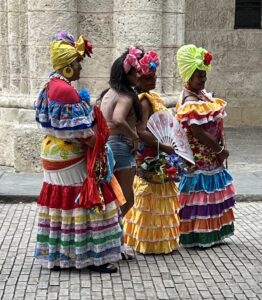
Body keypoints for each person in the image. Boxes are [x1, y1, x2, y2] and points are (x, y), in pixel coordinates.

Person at [34, 32, 123, 273]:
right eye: (78, 62)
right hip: (69, 157)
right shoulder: (65, 91)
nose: (81, 67)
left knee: (62, 201)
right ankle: (94, 257)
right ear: (68, 66)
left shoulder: (50, 85)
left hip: (54, 153)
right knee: (86, 199)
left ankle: (61, 255)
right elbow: (83, 132)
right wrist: (99, 143)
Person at [175, 44, 236, 248]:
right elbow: (198, 133)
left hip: (208, 158)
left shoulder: (200, 96)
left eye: (204, 76)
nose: (203, 80)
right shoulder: (190, 101)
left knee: (208, 194)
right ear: (188, 78)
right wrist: (219, 150)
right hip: (201, 158)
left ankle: (211, 232)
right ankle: (198, 236)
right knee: (201, 195)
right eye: (199, 76)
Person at [123, 51, 180, 254]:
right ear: (140, 79)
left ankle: (151, 240)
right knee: (152, 198)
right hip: (151, 153)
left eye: (154, 76)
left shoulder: (151, 97)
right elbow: (141, 130)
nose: (154, 80)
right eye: (149, 77)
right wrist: (163, 147)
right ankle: (152, 242)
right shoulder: (145, 100)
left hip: (155, 151)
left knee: (154, 197)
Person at [100, 47, 144, 259]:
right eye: (135, 71)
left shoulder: (109, 93)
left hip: (108, 145)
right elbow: (118, 119)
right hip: (120, 147)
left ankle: (114, 240)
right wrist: (134, 135)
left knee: (113, 197)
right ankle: (113, 240)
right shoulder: (126, 97)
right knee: (126, 199)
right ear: (126, 74)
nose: (139, 75)